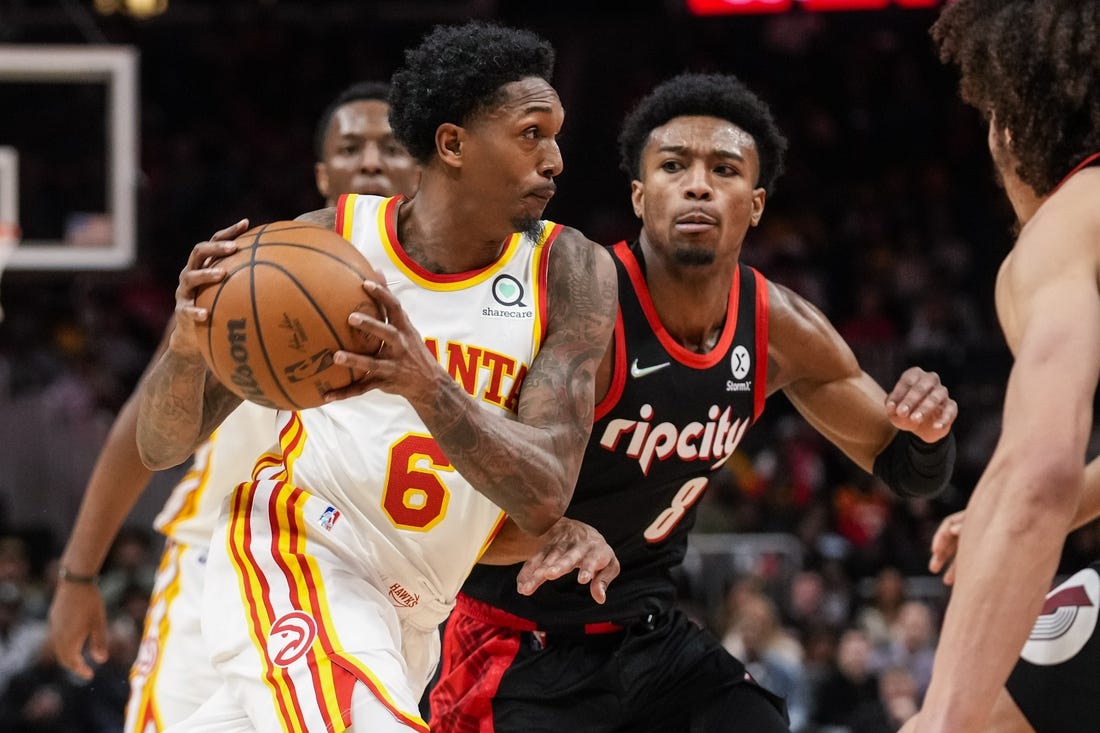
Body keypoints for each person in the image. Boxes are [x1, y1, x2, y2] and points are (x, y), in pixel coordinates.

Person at [429, 72, 958, 733]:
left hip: (651, 639)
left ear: (757, 203)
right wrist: (550, 529)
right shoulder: (574, 302)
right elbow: (456, 488)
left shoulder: (777, 326)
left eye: (725, 168)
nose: (699, 183)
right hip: (517, 642)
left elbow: (908, 467)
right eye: (673, 165)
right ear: (639, 194)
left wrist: (929, 427)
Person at [137, 21, 617, 733]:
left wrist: (425, 383)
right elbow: (161, 442)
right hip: (301, 550)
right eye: (530, 134)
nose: (555, 160)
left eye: (555, 135)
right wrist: (185, 346)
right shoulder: (325, 244)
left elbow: (545, 490)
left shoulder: (570, 270)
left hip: (415, 611)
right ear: (452, 144)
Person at [46, 79, 421, 733]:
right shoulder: (252, 274)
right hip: (217, 560)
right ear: (321, 173)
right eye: (350, 145)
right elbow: (142, 429)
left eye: (390, 146)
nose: (369, 160)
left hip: (359, 586)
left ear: (422, 166)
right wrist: (79, 574)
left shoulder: (452, 297)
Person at [900, 2, 1100, 731]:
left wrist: (944, 715)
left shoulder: (1071, 223)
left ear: (1016, 119)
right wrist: (999, 514)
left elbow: (1039, 469)